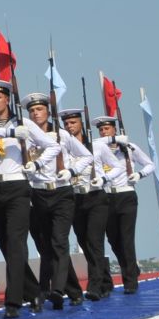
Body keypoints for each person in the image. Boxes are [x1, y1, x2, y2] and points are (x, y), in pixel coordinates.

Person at [0, 80, 45, 319]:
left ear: (7, 99)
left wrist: (36, 164)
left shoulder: (24, 123)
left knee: (16, 243)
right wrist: (9, 133)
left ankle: (13, 301)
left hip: (17, 185)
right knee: (6, 245)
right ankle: (35, 291)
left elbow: (51, 145)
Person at [23, 92, 91, 308]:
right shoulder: (25, 136)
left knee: (59, 242)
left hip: (61, 192)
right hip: (37, 193)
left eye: (39, 109)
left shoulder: (62, 135)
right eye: (32, 111)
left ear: (48, 112)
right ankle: (72, 290)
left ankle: (56, 289)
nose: (36, 114)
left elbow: (86, 156)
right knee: (46, 246)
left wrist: (71, 171)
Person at [93, 115, 155, 293]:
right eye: (101, 130)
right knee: (113, 240)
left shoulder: (129, 148)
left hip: (126, 195)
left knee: (127, 239)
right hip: (106, 197)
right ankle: (131, 268)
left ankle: (130, 282)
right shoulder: (99, 149)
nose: (104, 132)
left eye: (107, 129)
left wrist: (139, 175)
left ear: (114, 130)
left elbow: (150, 164)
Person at [61, 108, 112, 299]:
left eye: (73, 122)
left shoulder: (97, 146)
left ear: (81, 124)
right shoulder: (64, 147)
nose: (69, 126)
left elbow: (116, 166)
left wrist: (104, 179)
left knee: (94, 241)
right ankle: (105, 280)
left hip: (96, 196)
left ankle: (95, 287)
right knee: (84, 242)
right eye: (66, 124)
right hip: (74, 197)